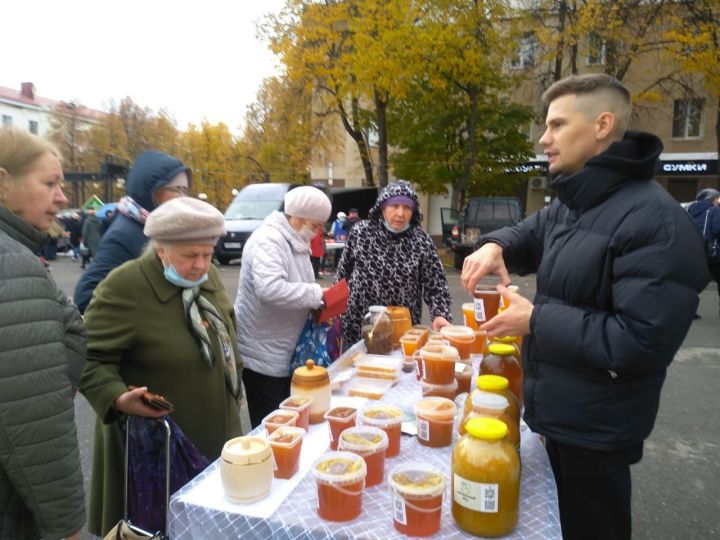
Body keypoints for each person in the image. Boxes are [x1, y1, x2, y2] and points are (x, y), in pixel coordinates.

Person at [460, 74, 709, 540]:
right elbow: (532, 231)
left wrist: (536, 319)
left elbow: (638, 343)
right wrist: (496, 245)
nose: (544, 138)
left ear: (602, 125)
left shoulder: (654, 222)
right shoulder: (578, 202)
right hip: (559, 414)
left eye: (556, 125)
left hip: (596, 432)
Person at [79, 196, 243, 536]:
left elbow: (228, 332)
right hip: (157, 451)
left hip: (217, 436)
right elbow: (88, 358)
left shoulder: (207, 276)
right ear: (161, 249)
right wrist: (117, 397)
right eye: (189, 256)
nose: (200, 265)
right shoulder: (125, 287)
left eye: (208, 253)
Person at [0, 127, 85, 540]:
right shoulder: (13, 265)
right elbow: (36, 416)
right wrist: (68, 526)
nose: (62, 197)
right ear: (3, 182)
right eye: (49, 183)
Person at [234, 185, 331, 427]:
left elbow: (299, 286)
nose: (318, 231)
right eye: (315, 225)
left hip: (284, 349)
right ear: (296, 217)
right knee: (274, 424)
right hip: (262, 355)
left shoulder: (295, 239)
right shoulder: (269, 240)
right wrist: (316, 294)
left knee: (289, 420)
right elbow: (270, 289)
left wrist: (321, 303)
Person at [336, 180, 452, 346]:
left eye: (407, 208)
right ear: (382, 207)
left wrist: (441, 314)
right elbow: (342, 274)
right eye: (394, 206)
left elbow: (437, 285)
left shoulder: (421, 241)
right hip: (356, 327)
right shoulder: (361, 233)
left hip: (400, 332)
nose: (400, 213)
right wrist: (332, 310)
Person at [73, 150, 191, 313]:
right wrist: (140, 321)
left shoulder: (155, 228)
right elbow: (86, 297)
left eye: (185, 190)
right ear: (151, 191)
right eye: (176, 189)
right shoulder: (123, 235)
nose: (182, 197)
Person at [688, 188, 720, 316]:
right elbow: (718, 229)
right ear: (712, 199)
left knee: (693, 281)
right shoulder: (715, 211)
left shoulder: (691, 210)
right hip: (712, 252)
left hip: (694, 250)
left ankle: (690, 310)